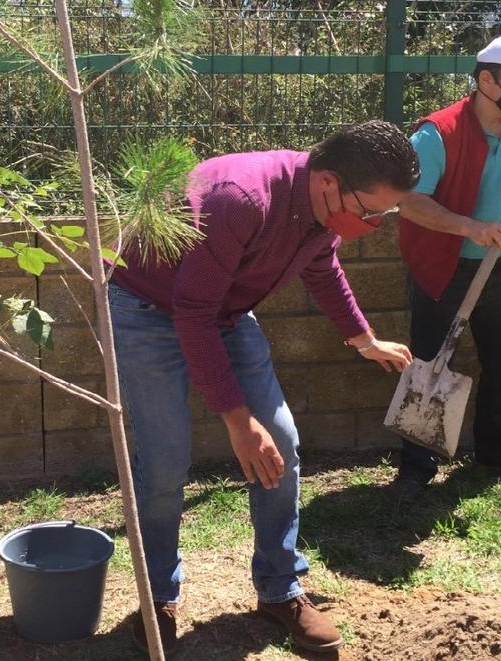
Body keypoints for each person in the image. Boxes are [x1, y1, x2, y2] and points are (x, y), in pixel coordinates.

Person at [108, 120, 418, 655]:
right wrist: (236, 420)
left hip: (224, 311)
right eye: (370, 211)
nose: (373, 223)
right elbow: (192, 312)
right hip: (146, 309)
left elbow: (322, 268)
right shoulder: (241, 200)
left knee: (282, 441)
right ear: (327, 181)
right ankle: (157, 594)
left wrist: (365, 341)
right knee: (164, 459)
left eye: (383, 215)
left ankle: (280, 589)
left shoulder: (324, 208)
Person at [393, 33, 501, 499]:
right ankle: (416, 466)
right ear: (486, 80)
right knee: (429, 365)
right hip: (442, 268)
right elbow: (409, 201)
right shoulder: (436, 133)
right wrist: (469, 227)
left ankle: (499, 451)